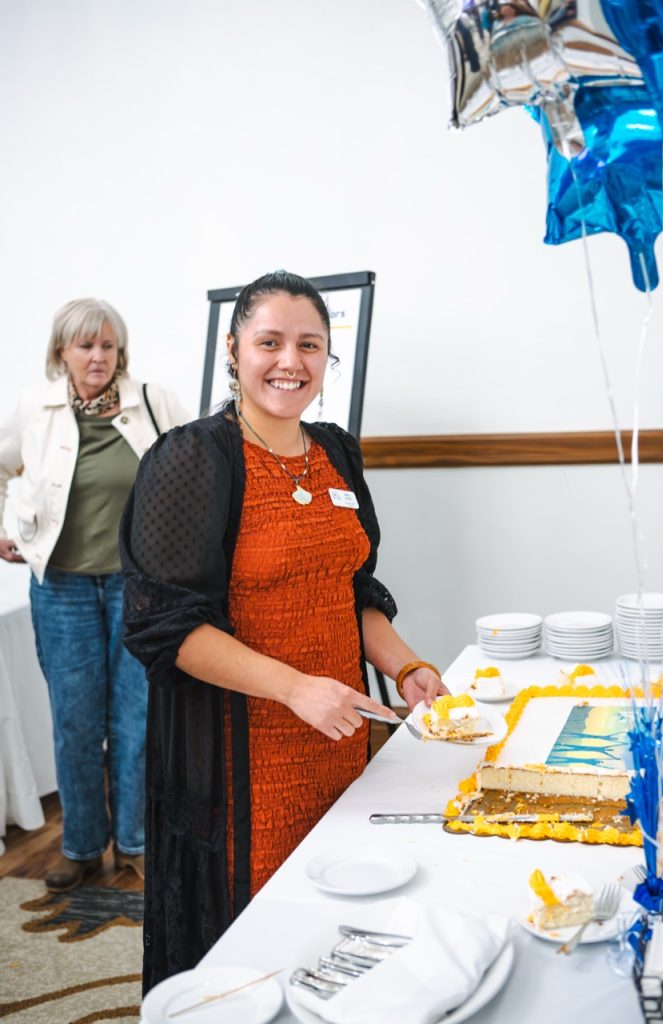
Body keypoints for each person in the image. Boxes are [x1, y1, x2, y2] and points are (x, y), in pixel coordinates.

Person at [119, 270, 448, 991]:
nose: (289, 361)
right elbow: (164, 627)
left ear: (328, 357)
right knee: (259, 954)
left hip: (339, 741)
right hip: (242, 763)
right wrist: (297, 689)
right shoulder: (190, 459)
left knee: (339, 931)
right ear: (233, 350)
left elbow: (349, 591)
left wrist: (406, 667)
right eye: (269, 342)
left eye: (309, 345)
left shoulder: (336, 452)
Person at [0, 298, 189, 892]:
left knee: (136, 721)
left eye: (108, 345)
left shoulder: (153, 401)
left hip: (140, 587)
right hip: (61, 588)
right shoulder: (34, 409)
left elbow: (195, 472)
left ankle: (135, 842)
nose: (99, 356)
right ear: (63, 350)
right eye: (86, 345)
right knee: (75, 723)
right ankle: (81, 846)